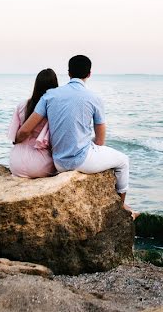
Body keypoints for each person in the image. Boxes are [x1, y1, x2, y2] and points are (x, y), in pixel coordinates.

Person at [15, 54, 132, 212]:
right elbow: (100, 139)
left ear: (69, 73)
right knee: (123, 161)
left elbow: (25, 130)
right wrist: (91, 149)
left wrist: (16, 141)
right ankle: (121, 206)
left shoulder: (49, 96)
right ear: (89, 74)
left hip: (58, 163)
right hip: (82, 161)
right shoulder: (94, 98)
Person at [7, 68, 58, 178]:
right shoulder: (54, 109)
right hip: (40, 165)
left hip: (16, 163)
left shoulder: (22, 105)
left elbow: (16, 137)